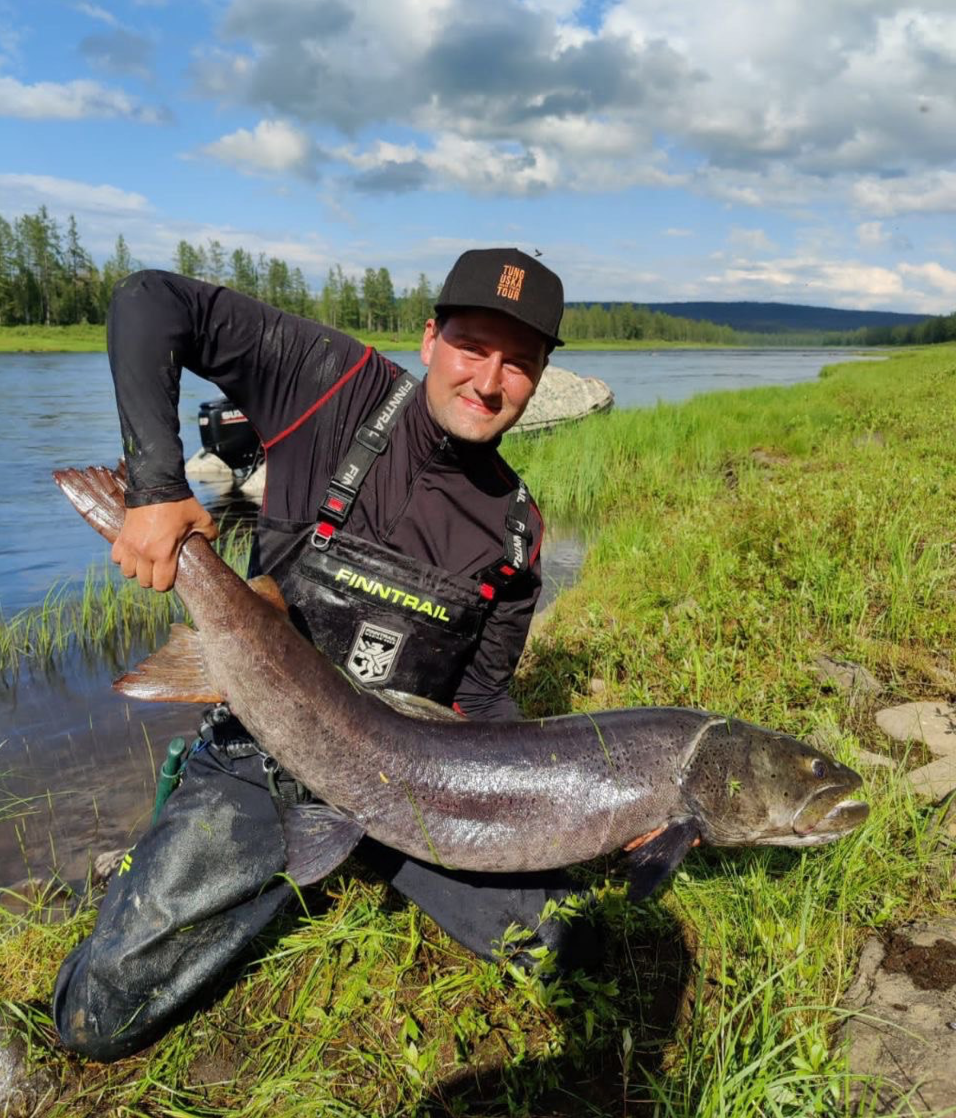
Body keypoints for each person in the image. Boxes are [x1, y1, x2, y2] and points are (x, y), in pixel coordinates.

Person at [54, 248, 597, 1063]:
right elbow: (148, 299)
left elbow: (483, 708)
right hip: (261, 757)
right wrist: (157, 486)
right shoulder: (331, 386)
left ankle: (345, 861)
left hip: (409, 787)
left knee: (561, 945)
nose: (488, 380)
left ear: (542, 374)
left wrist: (577, 799)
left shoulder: (516, 533)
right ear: (428, 338)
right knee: (98, 1019)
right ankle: (206, 861)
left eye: (519, 362)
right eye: (472, 347)